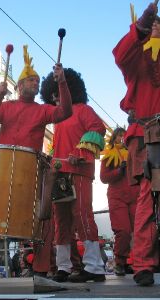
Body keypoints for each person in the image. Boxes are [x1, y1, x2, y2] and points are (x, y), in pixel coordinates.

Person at [0, 45, 72, 280]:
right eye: (30, 80)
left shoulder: (42, 110)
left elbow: (65, 112)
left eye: (36, 80)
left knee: (43, 216)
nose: (35, 83)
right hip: (4, 170)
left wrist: (62, 82)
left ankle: (41, 268)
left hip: (32, 170)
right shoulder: (6, 106)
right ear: (19, 86)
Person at [40, 67, 106, 283]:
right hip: (60, 173)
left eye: (58, 91)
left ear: (70, 89)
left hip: (79, 171)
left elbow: (97, 129)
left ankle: (94, 267)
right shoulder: (58, 118)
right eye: (53, 94)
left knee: (82, 216)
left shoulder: (84, 110)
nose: (54, 97)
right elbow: (58, 147)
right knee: (61, 221)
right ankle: (63, 267)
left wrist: (80, 153)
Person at [113, 1, 160, 286]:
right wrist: (143, 24)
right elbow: (120, 55)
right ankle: (142, 262)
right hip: (148, 136)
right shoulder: (138, 59)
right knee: (149, 197)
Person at [100, 128, 138, 276]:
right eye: (119, 136)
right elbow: (103, 178)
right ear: (114, 138)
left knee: (140, 231)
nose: (121, 138)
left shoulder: (134, 152)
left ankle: (139, 263)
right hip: (117, 197)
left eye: (124, 135)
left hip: (135, 195)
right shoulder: (109, 155)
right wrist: (118, 171)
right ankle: (120, 262)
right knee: (123, 231)